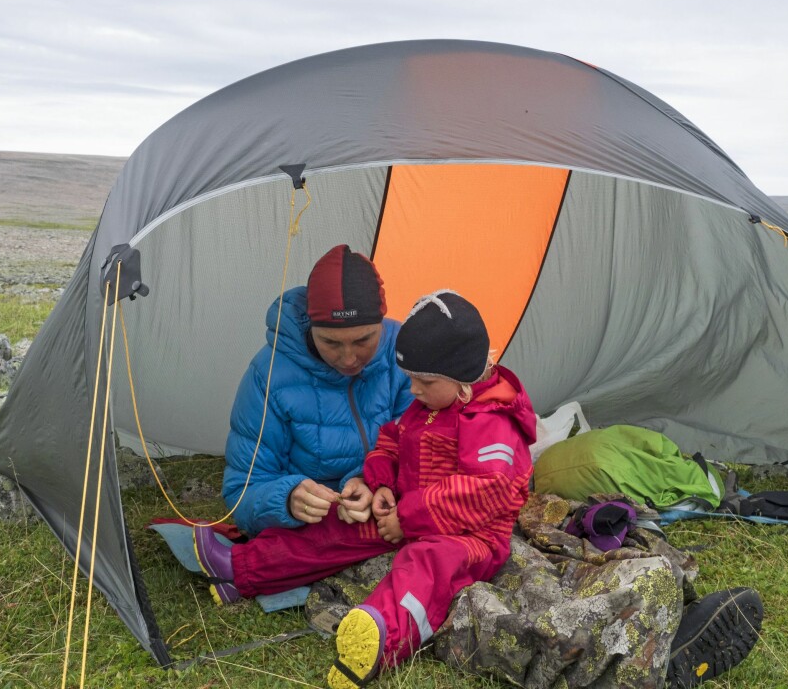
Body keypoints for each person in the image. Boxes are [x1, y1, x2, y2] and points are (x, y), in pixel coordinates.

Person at [194, 290, 537, 689]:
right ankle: (242, 569)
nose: (413, 391)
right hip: (404, 514)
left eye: (423, 381)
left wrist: (407, 516)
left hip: (470, 537)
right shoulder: (429, 405)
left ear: (459, 379)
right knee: (337, 529)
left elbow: (485, 489)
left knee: (428, 564)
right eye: (410, 379)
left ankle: (378, 637)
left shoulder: (492, 419)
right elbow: (393, 438)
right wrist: (379, 483)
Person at [222, 244, 413, 537]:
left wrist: (370, 481)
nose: (348, 358)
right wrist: (285, 500)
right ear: (310, 327)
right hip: (309, 528)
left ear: (381, 324)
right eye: (331, 343)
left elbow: (424, 450)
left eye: (363, 340)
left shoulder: (404, 355)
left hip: (387, 511)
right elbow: (241, 491)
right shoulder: (269, 374)